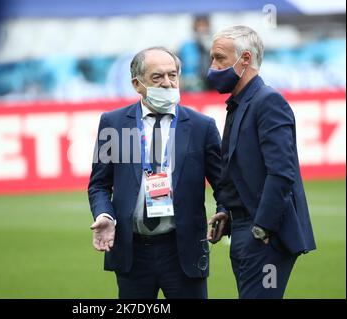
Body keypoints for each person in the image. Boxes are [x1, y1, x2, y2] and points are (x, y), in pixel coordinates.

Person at [88, 47, 225, 299]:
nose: (167, 83)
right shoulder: (115, 123)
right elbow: (99, 184)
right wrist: (105, 214)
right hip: (132, 252)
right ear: (137, 84)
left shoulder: (200, 126)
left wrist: (224, 210)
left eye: (172, 75)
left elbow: (223, 184)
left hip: (183, 249)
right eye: (157, 77)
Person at [206, 26, 316, 299]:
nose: (213, 67)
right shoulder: (240, 102)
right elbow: (235, 170)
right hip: (242, 228)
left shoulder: (268, 102)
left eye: (220, 58)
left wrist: (262, 227)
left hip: (263, 235)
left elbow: (281, 172)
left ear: (244, 59)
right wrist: (225, 210)